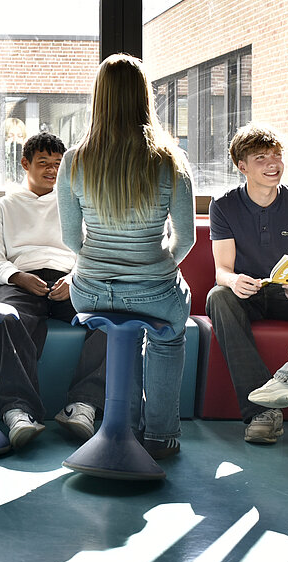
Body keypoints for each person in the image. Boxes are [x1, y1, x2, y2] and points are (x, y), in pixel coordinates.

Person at [57, 53, 195, 460]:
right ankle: (162, 435)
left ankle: (126, 428)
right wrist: (155, 266)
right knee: (168, 335)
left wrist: (100, 264)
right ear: (144, 97)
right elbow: (184, 240)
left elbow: (70, 238)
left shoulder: (74, 160)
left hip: (91, 292)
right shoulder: (170, 159)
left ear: (99, 98)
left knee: (125, 335)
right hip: (152, 289)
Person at [0, 131, 107, 449]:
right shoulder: (3, 207)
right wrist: (16, 276)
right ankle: (19, 412)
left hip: (70, 281)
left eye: (58, 164)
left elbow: (93, 252)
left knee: (110, 317)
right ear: (25, 164)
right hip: (21, 282)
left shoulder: (77, 204)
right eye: (43, 163)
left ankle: (83, 406)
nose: (51, 170)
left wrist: (76, 278)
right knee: (2, 316)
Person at [206, 124, 288, 444]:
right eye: (261, 158)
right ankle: (260, 413)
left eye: (276, 155)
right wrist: (234, 280)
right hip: (244, 293)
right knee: (217, 296)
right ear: (242, 166)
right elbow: (221, 269)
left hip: (285, 291)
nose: (272, 163)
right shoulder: (223, 204)